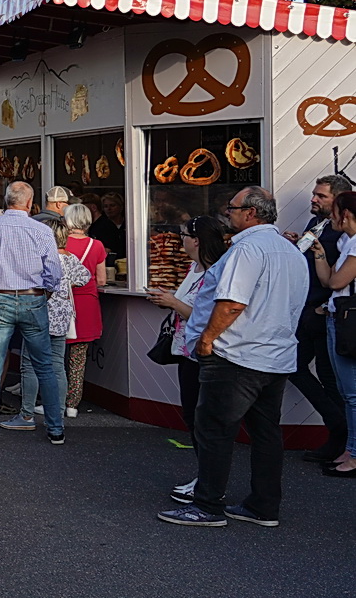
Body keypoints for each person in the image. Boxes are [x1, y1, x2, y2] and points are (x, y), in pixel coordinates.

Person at [160, 187, 307, 527]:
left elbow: (232, 303)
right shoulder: (290, 252)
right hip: (274, 354)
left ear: (251, 213)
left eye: (233, 208)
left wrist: (207, 339)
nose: (228, 213)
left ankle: (207, 505)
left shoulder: (248, 249)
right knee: (266, 433)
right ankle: (263, 505)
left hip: (237, 354)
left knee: (214, 430)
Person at [0, 181, 65, 445]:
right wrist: (46, 291)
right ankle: (55, 429)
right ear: (29, 202)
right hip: (33, 298)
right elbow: (54, 270)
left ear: (7, 200)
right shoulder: (41, 230)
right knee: (44, 365)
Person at [147, 216, 227, 495]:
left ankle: (209, 482)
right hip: (186, 350)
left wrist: (173, 302)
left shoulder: (217, 272)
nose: (179, 239)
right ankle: (204, 477)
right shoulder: (194, 268)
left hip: (205, 351)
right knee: (192, 416)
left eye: (183, 234)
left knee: (203, 419)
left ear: (197, 240)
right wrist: (167, 300)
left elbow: (207, 317)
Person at [5, 212, 87, 434]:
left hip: (36, 314)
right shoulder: (69, 259)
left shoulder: (38, 259)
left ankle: (27, 414)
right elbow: (85, 277)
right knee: (57, 365)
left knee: (29, 366)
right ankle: (58, 410)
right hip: (61, 317)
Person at [293, 175, 353, 462]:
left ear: (339, 200)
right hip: (307, 310)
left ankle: (340, 440)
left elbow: (337, 280)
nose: (314, 199)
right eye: (314, 194)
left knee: (333, 381)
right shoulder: (315, 223)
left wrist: (322, 306)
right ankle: (337, 428)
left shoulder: (346, 236)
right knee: (293, 366)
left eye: (321, 196)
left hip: (328, 313)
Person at [309, 191, 356, 479]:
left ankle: (354, 453)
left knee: (352, 394)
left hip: (349, 320)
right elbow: (328, 281)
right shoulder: (345, 242)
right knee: (345, 390)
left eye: (334, 212)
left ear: (346, 214)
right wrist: (319, 254)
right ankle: (350, 449)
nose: (330, 218)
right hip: (337, 317)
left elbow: (338, 281)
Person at [62, 203, 107, 417]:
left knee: (56, 356)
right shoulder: (97, 246)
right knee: (78, 359)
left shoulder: (59, 243)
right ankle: (72, 404)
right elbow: (102, 279)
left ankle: (55, 400)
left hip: (63, 303)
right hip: (87, 302)